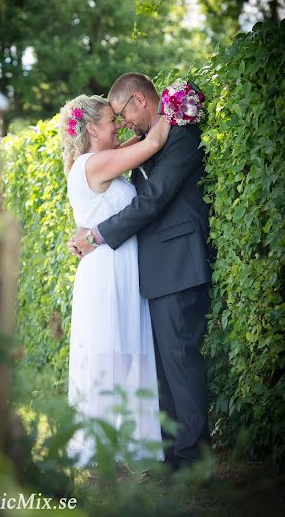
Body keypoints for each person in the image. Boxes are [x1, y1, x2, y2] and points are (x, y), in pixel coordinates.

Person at [69, 73, 214, 472]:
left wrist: (97, 234)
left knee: (180, 362)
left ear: (139, 100)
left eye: (123, 114)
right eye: (113, 119)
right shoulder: (150, 143)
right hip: (152, 271)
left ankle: (193, 459)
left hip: (179, 264)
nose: (124, 123)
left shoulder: (179, 137)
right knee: (165, 368)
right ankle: (172, 455)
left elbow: (152, 200)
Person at [59, 93, 171, 468]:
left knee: (123, 354)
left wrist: (138, 133)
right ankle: (104, 452)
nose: (118, 125)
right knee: (112, 357)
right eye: (111, 120)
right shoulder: (96, 163)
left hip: (116, 267)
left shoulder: (90, 162)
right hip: (108, 272)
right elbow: (153, 141)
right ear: (91, 129)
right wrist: (176, 103)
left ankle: (124, 447)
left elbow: (136, 141)